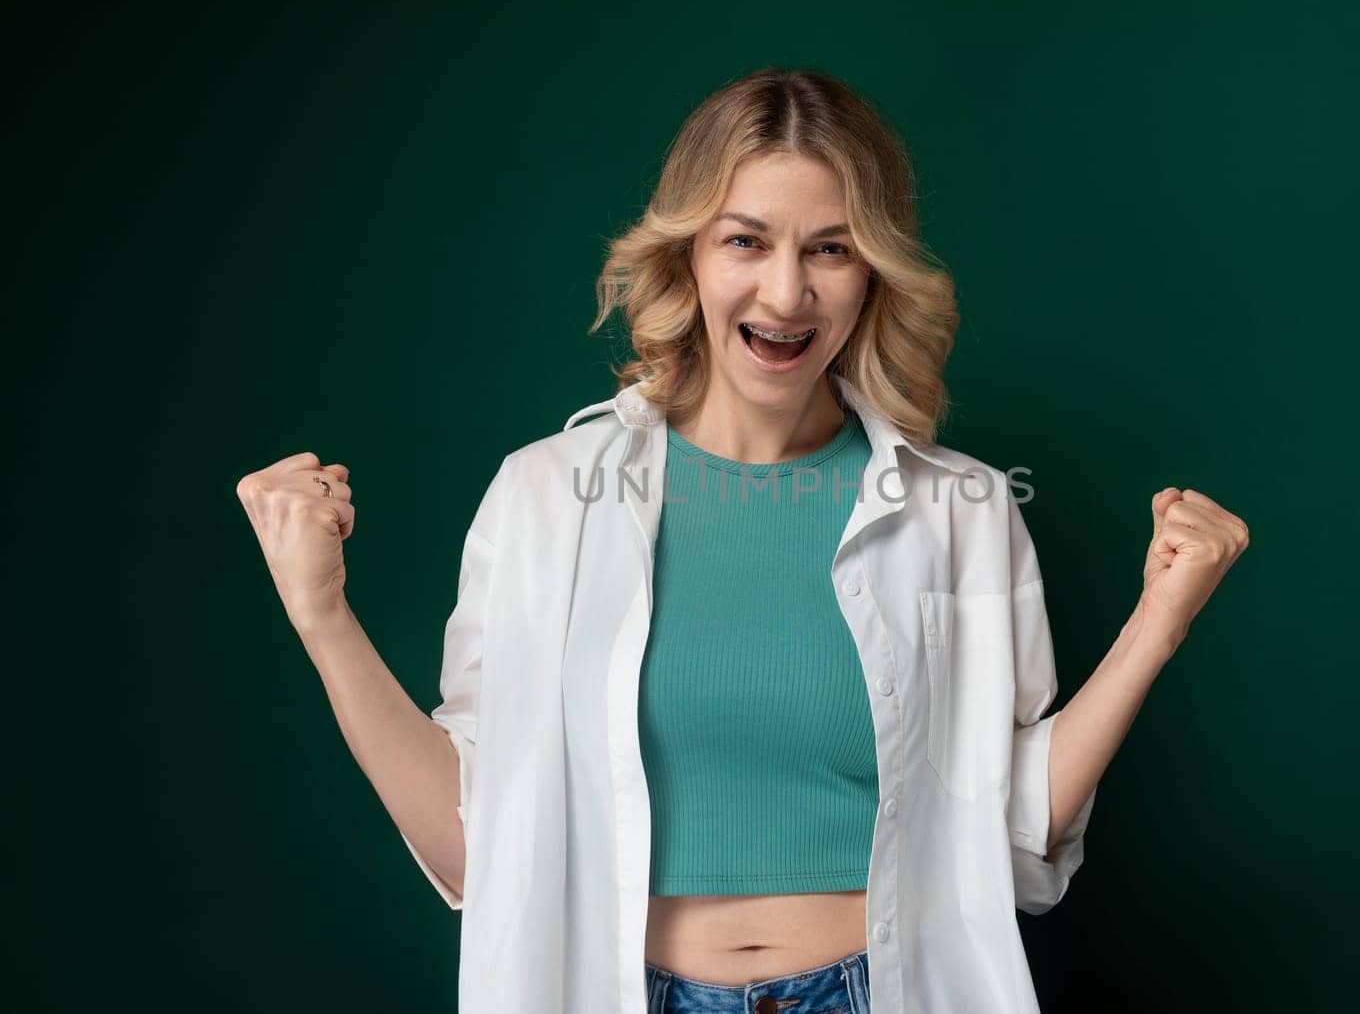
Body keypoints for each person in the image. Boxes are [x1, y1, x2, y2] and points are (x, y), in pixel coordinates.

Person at [236, 66, 1250, 1013]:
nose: (785, 294)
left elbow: (1018, 840)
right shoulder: (547, 495)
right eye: (746, 240)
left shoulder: (963, 511)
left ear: (874, 270)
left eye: (830, 246)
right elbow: (475, 849)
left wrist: (1155, 626)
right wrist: (320, 615)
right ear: (687, 251)